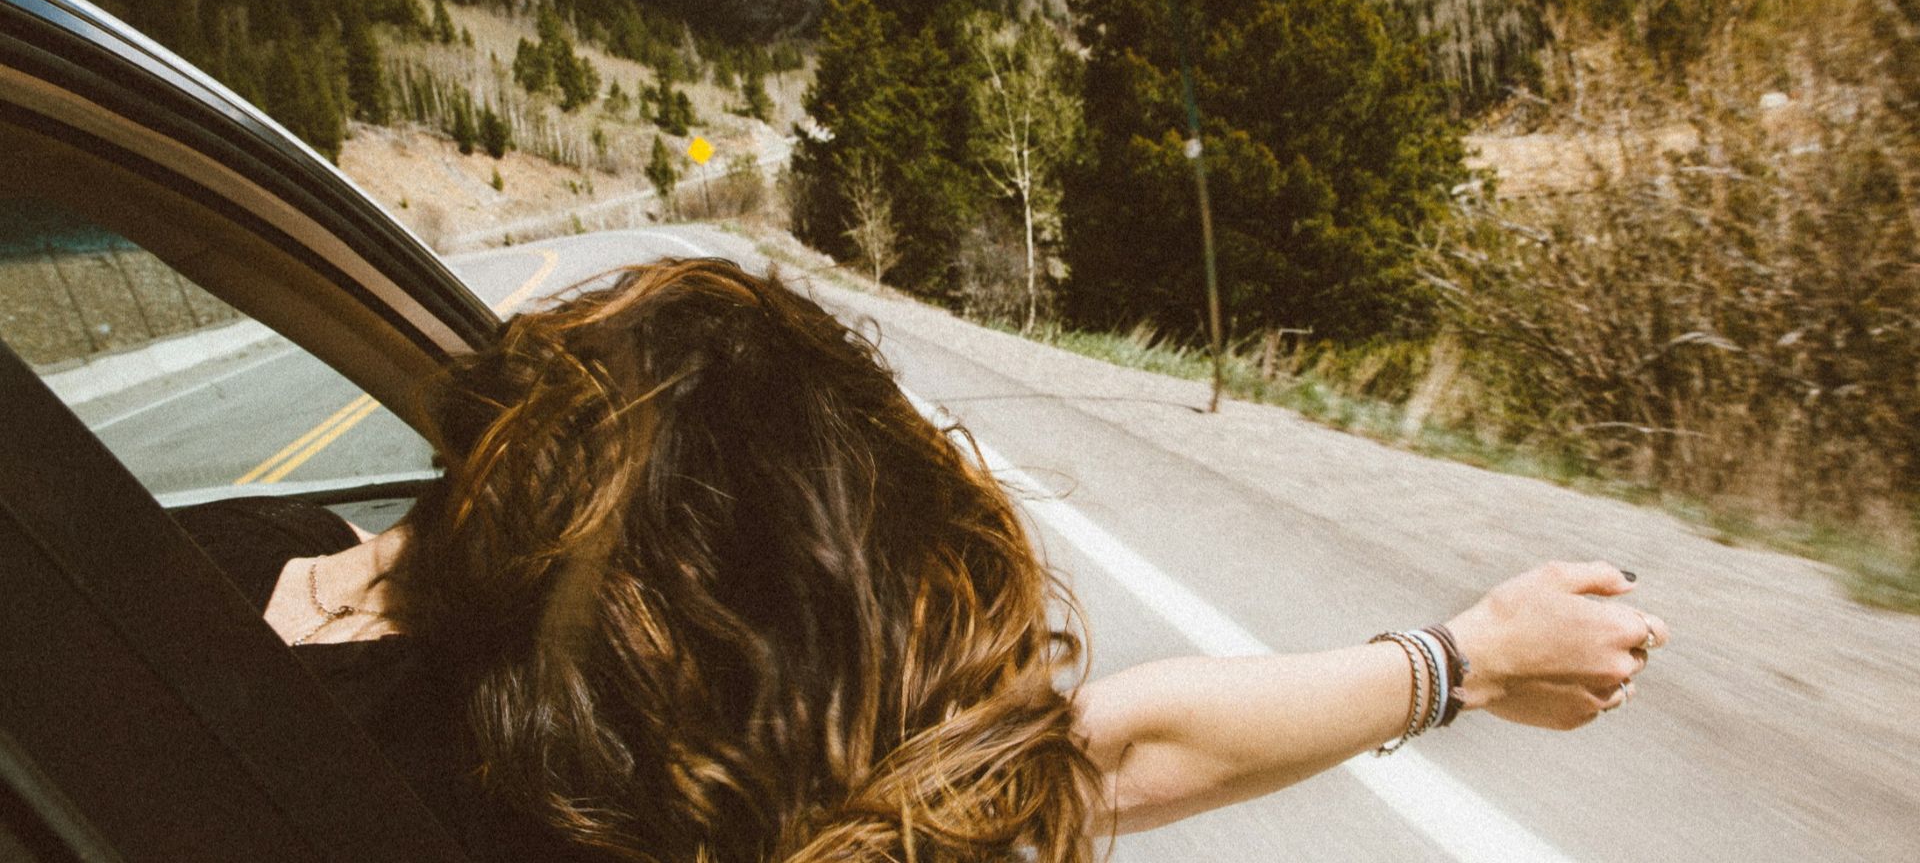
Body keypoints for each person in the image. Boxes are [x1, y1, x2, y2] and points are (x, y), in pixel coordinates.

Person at [172, 257, 1670, 862]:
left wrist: (1465, 662)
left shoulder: (205, 555)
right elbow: (1106, 746)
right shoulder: (602, 788)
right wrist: (1461, 662)